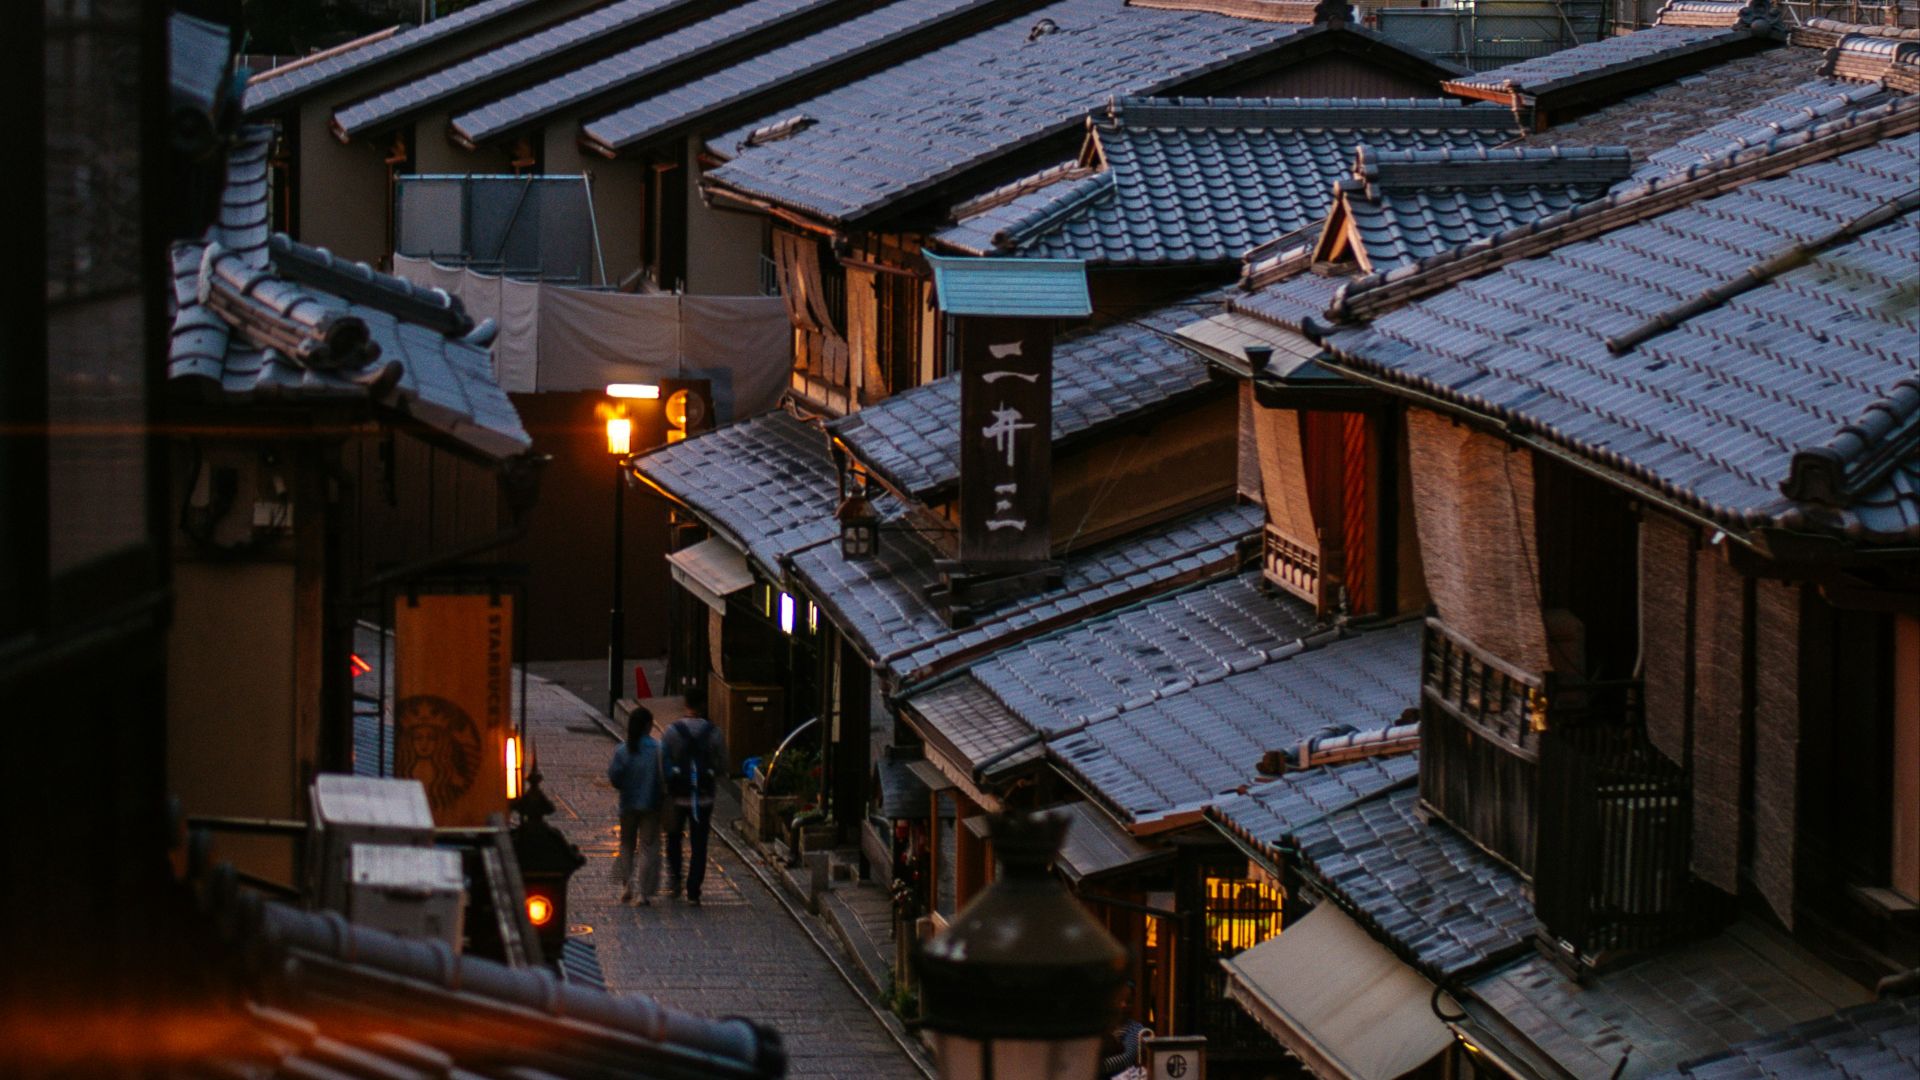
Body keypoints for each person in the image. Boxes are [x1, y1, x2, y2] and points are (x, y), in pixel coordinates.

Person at [662, 696, 724, 906]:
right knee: (699, 844)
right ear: (703, 706)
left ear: (686, 705)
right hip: (703, 798)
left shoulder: (672, 731)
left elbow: (663, 761)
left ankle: (676, 878)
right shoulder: (714, 732)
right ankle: (694, 890)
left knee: (673, 838)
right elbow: (723, 763)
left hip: (677, 795)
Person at [606, 707, 663, 905]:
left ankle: (627, 885)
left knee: (627, 845)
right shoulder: (657, 749)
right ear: (648, 726)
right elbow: (666, 777)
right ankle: (643, 893)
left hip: (628, 803)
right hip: (651, 804)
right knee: (648, 846)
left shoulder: (622, 750)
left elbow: (614, 776)